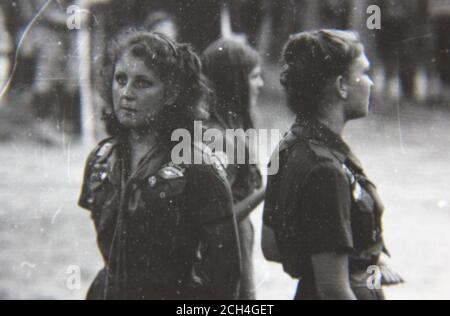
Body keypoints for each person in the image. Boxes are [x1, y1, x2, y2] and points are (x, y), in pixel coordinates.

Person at [78, 31, 240, 300]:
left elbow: (226, 276)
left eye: (143, 83)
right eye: (120, 80)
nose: (126, 94)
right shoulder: (101, 159)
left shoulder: (197, 166)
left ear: (171, 93)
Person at [263, 30, 402, 300]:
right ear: (341, 86)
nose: (371, 83)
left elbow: (272, 245)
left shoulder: (291, 145)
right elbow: (334, 290)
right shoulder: (326, 168)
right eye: (363, 73)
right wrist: (351, 268)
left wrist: (359, 260)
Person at [201, 38, 265, 300]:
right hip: (222, 254)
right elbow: (215, 219)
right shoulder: (215, 137)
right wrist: (268, 191)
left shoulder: (229, 130)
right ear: (234, 83)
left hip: (236, 246)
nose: (260, 84)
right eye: (254, 76)